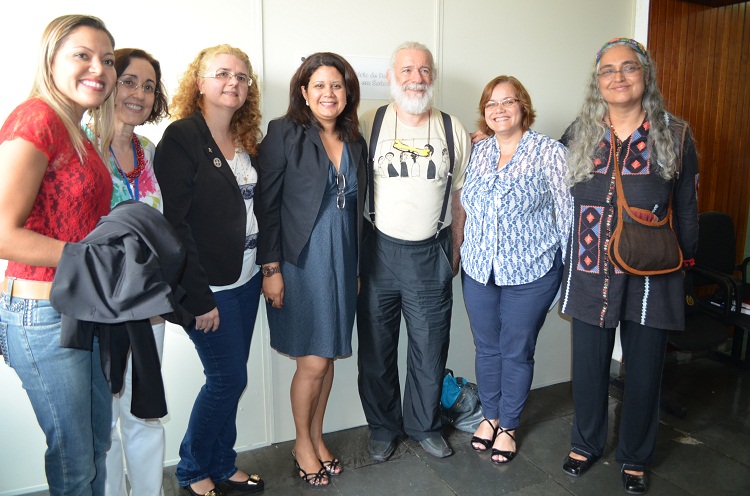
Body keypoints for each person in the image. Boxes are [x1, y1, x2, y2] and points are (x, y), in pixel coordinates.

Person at [559, 38, 699, 494]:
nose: (618, 77)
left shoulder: (675, 134)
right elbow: (542, 172)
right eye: (608, 70)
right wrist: (491, 138)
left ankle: (636, 456)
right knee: (589, 367)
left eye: (629, 68)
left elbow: (687, 207)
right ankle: (585, 443)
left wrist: (685, 264)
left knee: (643, 371)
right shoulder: (577, 133)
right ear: (597, 82)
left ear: (646, 75)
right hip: (589, 269)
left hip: (652, 274)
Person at [0, 15, 116, 495]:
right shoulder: (38, 117)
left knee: (95, 447)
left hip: (82, 307)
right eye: (82, 56)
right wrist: (94, 258)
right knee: (74, 463)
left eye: (107, 59)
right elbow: (3, 234)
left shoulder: (78, 129)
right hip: (42, 313)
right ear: (51, 61)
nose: (99, 69)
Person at [154, 44, 264, 496]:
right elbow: (174, 226)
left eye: (241, 77)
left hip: (247, 279)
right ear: (199, 83)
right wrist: (197, 299)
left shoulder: (245, 139)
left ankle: (222, 462)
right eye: (222, 74)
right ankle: (191, 468)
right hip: (209, 287)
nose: (233, 82)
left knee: (232, 378)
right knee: (227, 379)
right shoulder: (181, 138)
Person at [357, 41, 471, 461]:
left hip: (430, 254)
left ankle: (424, 424)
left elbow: (459, 195)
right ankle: (383, 427)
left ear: (433, 77)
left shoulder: (452, 129)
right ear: (391, 76)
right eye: (406, 70)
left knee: (430, 347)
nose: (416, 78)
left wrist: (455, 248)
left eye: (424, 70)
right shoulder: (369, 122)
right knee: (376, 348)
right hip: (378, 253)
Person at [256, 52, 367, 487]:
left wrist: (356, 268)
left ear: (347, 92)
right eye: (319, 85)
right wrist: (271, 269)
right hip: (300, 262)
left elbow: (358, 209)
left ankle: (317, 437)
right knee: (313, 361)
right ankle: (301, 444)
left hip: (343, 259)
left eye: (336, 85)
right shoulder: (283, 133)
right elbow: (266, 206)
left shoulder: (354, 139)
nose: (328, 93)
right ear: (304, 92)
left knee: (329, 353)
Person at [461, 76, 572, 464]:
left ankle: (508, 425)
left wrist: (570, 273)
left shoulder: (550, 152)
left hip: (531, 271)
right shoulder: (477, 151)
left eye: (508, 101)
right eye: (491, 104)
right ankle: (488, 417)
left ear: (523, 106)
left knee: (516, 350)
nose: (499, 109)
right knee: (486, 347)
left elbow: (568, 213)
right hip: (479, 269)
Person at [102, 48, 169, 496]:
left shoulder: (148, 150)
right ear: (108, 82)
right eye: (129, 81)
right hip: (100, 305)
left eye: (148, 86)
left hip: (147, 304)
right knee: (103, 421)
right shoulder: (83, 146)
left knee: (145, 412)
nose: (139, 94)